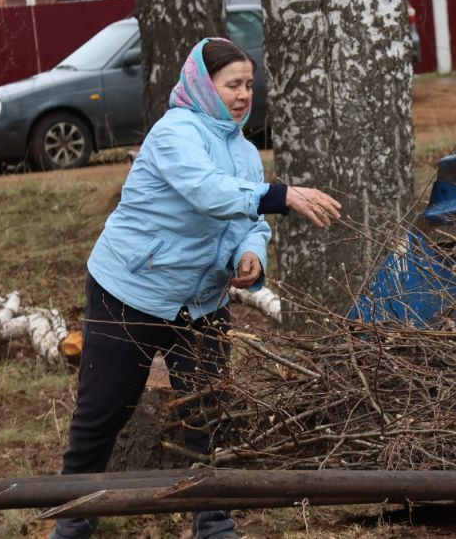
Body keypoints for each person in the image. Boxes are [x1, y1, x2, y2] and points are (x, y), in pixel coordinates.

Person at [50, 37, 342, 539]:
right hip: (129, 293)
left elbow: (246, 222)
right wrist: (283, 194)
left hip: (200, 303)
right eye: (232, 84)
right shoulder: (174, 133)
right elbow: (208, 193)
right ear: (204, 86)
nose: (243, 95)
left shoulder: (245, 151)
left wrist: (250, 255)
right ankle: (71, 525)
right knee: (101, 416)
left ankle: (214, 527)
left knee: (208, 414)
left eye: (249, 85)